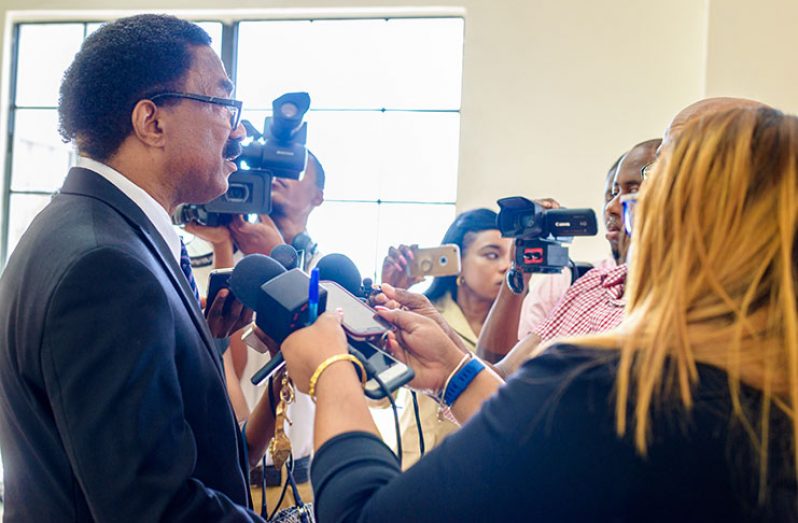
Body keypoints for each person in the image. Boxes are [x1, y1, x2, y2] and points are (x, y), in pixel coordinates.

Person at [278, 104, 798, 521]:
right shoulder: (766, 404)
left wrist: (331, 374)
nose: (623, 211)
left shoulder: (605, 386)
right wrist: (457, 373)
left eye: (645, 192)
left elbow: (363, 515)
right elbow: (559, 450)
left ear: (676, 222)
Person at [0, 15, 263, 521]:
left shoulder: (86, 227)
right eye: (223, 103)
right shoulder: (106, 268)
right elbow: (150, 506)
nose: (239, 128)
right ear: (152, 122)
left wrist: (196, 342)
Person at [187, 151, 326, 515]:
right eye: (268, 174)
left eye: (292, 171)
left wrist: (274, 258)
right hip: (235, 475)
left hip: (301, 480)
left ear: (318, 195)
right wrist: (224, 247)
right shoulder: (219, 269)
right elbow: (225, 366)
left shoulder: (325, 274)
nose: (277, 179)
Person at [491, 139, 660, 377]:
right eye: (612, 193)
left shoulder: (683, 300)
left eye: (632, 192)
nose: (612, 206)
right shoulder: (588, 285)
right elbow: (502, 375)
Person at [381, 209, 512, 467]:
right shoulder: (420, 316)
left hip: (481, 474)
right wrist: (388, 307)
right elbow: (379, 398)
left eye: (512, 256)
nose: (506, 265)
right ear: (458, 264)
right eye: (492, 254)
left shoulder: (523, 325)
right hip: (415, 468)